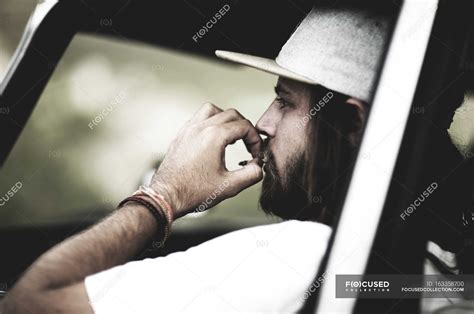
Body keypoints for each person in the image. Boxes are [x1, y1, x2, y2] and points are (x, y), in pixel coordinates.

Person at [1, 5, 393, 313]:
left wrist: (162, 197)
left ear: (354, 120)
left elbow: (28, 306)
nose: (264, 123)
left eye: (285, 102)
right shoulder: (424, 269)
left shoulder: (301, 256)